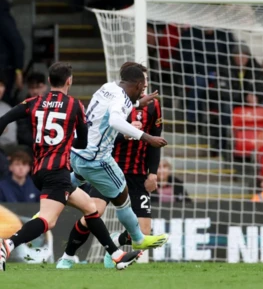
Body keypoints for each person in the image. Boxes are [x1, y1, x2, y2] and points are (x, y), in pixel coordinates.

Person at [0, 63, 142, 272]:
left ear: (49, 81)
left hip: (39, 169)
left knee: (90, 208)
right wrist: (68, 142)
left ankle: (116, 255)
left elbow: (4, 119)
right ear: (70, 81)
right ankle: (7, 244)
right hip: (56, 171)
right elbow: (84, 143)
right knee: (48, 220)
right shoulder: (75, 106)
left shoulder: (33, 101)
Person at [57, 62, 163, 269]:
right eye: (143, 85)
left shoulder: (108, 88)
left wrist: (139, 104)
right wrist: (145, 137)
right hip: (99, 161)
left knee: (78, 198)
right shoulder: (122, 100)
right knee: (108, 204)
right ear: (138, 84)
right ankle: (133, 241)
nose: (144, 89)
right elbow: (115, 119)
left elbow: (115, 110)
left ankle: (54, 194)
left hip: (82, 154)